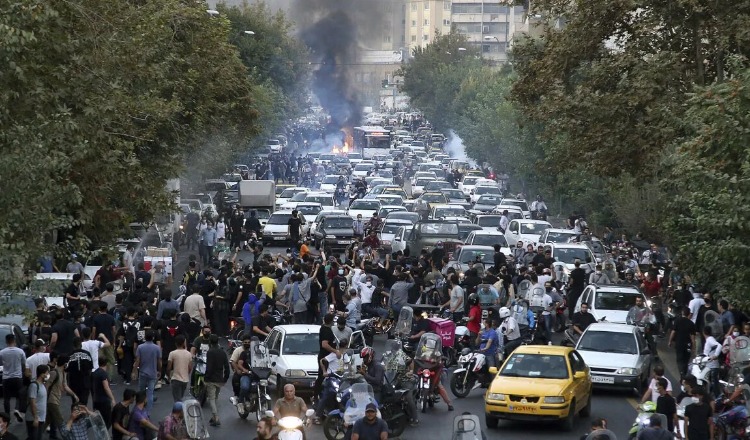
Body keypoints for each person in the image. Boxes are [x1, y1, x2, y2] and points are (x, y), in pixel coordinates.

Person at [132, 330, 161, 413]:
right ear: (153, 338)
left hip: (142, 372)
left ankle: (139, 409)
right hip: (153, 373)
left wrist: (134, 371)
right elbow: (159, 361)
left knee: (141, 391)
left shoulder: (140, 347)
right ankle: (147, 412)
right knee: (150, 393)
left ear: (145, 337)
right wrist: (159, 370)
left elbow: (137, 360)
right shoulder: (157, 348)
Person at [204, 334, 230, 427]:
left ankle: (216, 417)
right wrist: (225, 378)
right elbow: (227, 366)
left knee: (211, 399)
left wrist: (206, 378)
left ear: (210, 342)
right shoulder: (222, 352)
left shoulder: (210, 352)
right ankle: (213, 416)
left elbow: (209, 367)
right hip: (220, 379)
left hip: (211, 379)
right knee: (215, 398)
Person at [0, 334, 26, 421]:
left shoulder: (2, 352)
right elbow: (24, 363)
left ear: (6, 341)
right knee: (19, 395)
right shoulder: (20, 351)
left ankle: (7, 417)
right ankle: (17, 409)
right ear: (14, 341)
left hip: (6, 377)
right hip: (17, 377)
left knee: (6, 398)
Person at [669, 306, 697, 377]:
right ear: (689, 314)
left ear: (682, 312)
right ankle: (684, 374)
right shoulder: (691, 323)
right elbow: (693, 338)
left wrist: (670, 341)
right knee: (686, 360)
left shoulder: (677, 321)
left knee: (679, 360)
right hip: (688, 345)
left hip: (679, 344)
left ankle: (682, 374)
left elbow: (673, 332)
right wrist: (694, 348)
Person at [166, 334, 192, 403]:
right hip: (185, 380)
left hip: (176, 379)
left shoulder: (172, 353)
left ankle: (179, 409)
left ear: (175, 343)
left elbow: (168, 367)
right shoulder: (188, 354)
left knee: (177, 400)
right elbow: (190, 367)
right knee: (180, 397)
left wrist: (169, 376)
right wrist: (186, 373)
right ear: (184, 343)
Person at [92, 357, 116, 428]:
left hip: (96, 399)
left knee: (99, 419)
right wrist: (112, 399)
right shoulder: (103, 374)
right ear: (106, 364)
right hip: (104, 401)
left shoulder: (95, 373)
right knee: (107, 421)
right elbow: (106, 387)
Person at [25, 365, 48, 440]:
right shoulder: (34, 385)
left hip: (41, 418)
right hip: (33, 418)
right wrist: (35, 417)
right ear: (42, 374)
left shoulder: (42, 385)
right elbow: (32, 402)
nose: (48, 375)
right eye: (47, 373)